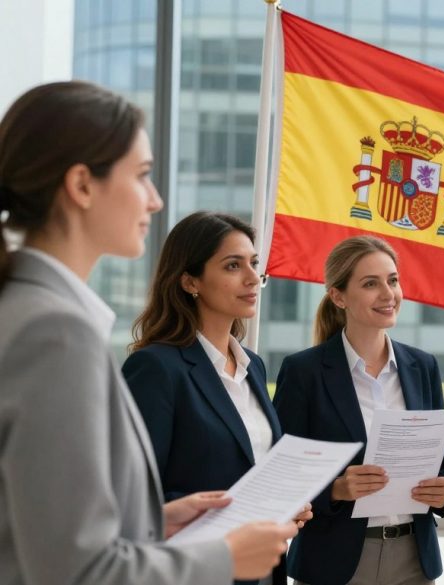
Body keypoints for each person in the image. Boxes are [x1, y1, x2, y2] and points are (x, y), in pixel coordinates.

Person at [0, 81, 296, 585]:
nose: (155, 200)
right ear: (82, 185)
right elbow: (77, 571)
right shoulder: (55, 332)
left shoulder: (31, 313)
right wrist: (224, 557)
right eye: (141, 176)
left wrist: (152, 522)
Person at [122, 211, 312, 585]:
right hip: (194, 571)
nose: (252, 277)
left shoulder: (252, 366)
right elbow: (136, 496)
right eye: (232, 265)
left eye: (254, 264)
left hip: (261, 570)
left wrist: (284, 505)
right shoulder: (156, 368)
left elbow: (253, 465)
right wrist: (235, 512)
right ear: (190, 281)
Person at [273, 235, 444, 585]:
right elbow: (282, 473)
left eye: (392, 280)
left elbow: (443, 463)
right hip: (333, 562)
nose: (388, 294)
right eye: (371, 284)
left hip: (414, 560)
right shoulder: (304, 372)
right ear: (338, 296)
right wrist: (336, 490)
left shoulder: (423, 366)